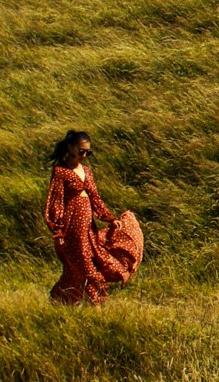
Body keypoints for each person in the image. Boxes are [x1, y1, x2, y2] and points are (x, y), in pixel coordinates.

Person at [43, 130, 144, 304]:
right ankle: (95, 306)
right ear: (70, 147)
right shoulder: (60, 171)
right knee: (86, 265)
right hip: (72, 226)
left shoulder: (87, 171)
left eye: (88, 153)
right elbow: (56, 202)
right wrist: (58, 233)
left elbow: (95, 198)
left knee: (90, 261)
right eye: (81, 151)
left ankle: (62, 300)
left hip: (88, 225)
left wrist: (110, 218)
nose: (84, 156)